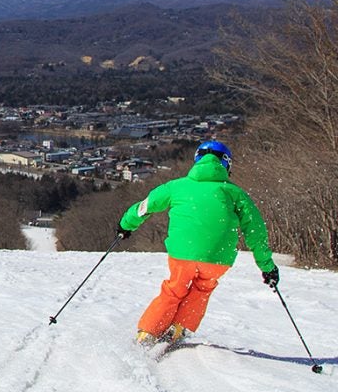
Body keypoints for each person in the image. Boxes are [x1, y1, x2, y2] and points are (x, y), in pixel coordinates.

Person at [117, 140, 279, 345]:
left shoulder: (177, 186)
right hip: (218, 257)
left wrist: (125, 225)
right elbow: (255, 231)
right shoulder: (235, 193)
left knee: (175, 288)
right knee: (202, 289)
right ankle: (178, 326)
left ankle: (148, 333)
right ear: (227, 164)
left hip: (183, 253)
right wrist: (267, 266)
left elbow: (147, 206)